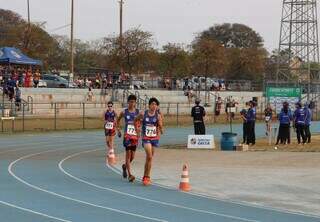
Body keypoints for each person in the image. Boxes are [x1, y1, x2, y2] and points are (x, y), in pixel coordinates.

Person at [135, 97, 164, 186]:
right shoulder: (143, 114)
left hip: (154, 138)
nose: (154, 106)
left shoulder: (158, 116)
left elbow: (160, 126)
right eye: (153, 104)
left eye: (156, 104)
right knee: (149, 156)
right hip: (146, 138)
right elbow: (135, 120)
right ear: (149, 105)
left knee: (149, 159)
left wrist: (160, 130)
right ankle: (147, 177)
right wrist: (137, 130)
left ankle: (146, 176)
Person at [117, 95, 140, 182]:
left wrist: (139, 130)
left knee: (132, 157)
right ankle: (130, 174)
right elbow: (117, 120)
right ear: (128, 102)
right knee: (128, 154)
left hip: (134, 136)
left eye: (134, 102)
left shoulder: (138, 112)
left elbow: (141, 121)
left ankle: (125, 166)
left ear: (135, 103)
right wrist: (118, 130)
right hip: (127, 136)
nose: (132, 103)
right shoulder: (124, 112)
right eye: (130, 102)